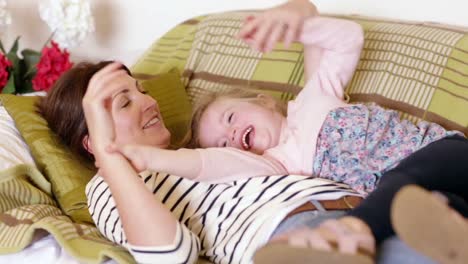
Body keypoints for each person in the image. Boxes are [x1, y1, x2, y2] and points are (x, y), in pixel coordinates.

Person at [38, 1, 443, 264]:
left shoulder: (207, 151)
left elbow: (323, 48)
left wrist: (300, 11)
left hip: (368, 209)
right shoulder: (110, 187)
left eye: (142, 91)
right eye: (125, 102)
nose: (149, 102)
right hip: (296, 235)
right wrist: (113, 159)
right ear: (92, 139)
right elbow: (170, 256)